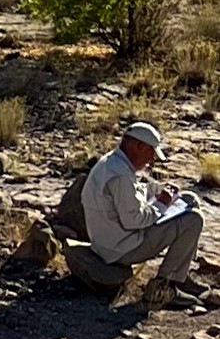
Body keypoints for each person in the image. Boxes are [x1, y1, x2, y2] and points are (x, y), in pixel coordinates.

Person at [80, 119, 202, 305]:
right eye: (151, 152)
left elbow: (133, 193)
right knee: (193, 219)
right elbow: (133, 220)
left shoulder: (112, 162)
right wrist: (161, 204)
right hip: (122, 248)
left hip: (112, 241)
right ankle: (164, 286)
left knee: (188, 198)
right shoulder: (120, 175)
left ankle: (180, 275)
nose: (151, 159)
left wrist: (157, 190)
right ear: (138, 146)